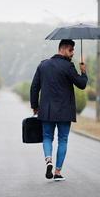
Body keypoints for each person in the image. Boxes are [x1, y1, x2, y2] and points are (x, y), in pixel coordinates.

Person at [30, 39, 88, 181]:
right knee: (63, 140)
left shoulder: (43, 65)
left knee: (47, 137)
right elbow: (81, 84)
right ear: (62, 49)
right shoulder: (68, 67)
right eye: (70, 50)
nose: (72, 53)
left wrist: (35, 106)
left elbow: (34, 87)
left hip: (47, 110)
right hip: (64, 111)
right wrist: (84, 72)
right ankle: (57, 172)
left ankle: (48, 160)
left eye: (73, 50)